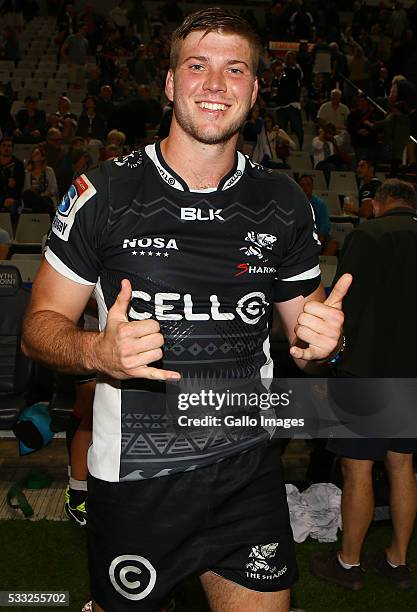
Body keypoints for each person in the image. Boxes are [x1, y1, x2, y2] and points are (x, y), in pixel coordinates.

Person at [22, 9, 349, 612]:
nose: (216, 84)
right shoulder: (105, 192)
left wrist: (322, 347)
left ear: (254, 90)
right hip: (137, 482)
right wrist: (96, 350)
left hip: (247, 475)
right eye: (197, 66)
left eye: (235, 70)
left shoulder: (282, 201)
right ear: (171, 84)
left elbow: (308, 354)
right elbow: (38, 330)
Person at [311, 179, 417, 591]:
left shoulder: (367, 234)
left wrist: (330, 362)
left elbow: (343, 307)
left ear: (379, 203)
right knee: (403, 466)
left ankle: (349, 562)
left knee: (359, 471)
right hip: (412, 373)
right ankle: (398, 560)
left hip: (366, 371)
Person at [298, 174, 338, 255]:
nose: (305, 188)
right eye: (302, 185)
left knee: (333, 244)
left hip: (317, 236)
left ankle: (320, 265)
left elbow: (325, 225)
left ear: (312, 187)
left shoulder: (320, 204)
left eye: (308, 185)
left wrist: (318, 242)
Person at [22, 146, 58, 214]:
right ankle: (48, 207)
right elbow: (25, 190)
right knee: (28, 195)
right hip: (32, 199)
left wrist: (46, 194)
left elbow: (54, 188)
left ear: (43, 157)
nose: (33, 155)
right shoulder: (28, 172)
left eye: (37, 153)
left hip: (46, 197)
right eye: (33, 153)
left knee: (40, 204)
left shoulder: (49, 170)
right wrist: (31, 189)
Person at [0, 136, 24, 218]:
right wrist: (3, 200)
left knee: (13, 208)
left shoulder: (18, 164)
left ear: (12, 148)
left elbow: (20, 186)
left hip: (13, 198)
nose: (6, 148)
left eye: (9, 146)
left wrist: (14, 185)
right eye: (4, 145)